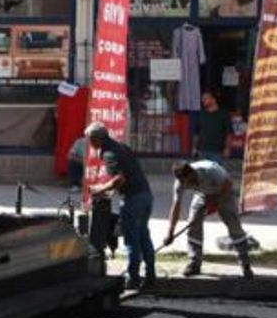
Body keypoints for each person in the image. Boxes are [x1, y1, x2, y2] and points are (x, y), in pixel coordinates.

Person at [85, 122, 156, 289]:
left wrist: (99, 189)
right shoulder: (121, 146)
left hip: (132, 199)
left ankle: (133, 278)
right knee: (144, 236)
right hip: (146, 195)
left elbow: (120, 179)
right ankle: (151, 274)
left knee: (132, 239)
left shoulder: (108, 153)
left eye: (90, 140)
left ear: (96, 139)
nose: (89, 143)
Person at [162, 160, 253, 279]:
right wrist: (170, 232)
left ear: (191, 174)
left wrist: (215, 203)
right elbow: (176, 206)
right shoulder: (180, 183)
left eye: (188, 183)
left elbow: (228, 185)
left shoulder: (211, 171)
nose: (186, 186)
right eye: (183, 184)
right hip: (202, 194)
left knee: (233, 224)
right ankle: (194, 262)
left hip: (224, 191)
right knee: (193, 223)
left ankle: (245, 263)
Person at [194, 91, 230, 163]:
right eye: (202, 99)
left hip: (217, 151)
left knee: (215, 172)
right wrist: (194, 147)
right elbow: (197, 132)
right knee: (203, 173)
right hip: (203, 150)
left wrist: (227, 148)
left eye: (206, 98)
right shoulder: (202, 114)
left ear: (213, 100)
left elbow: (228, 133)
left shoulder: (223, 114)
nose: (203, 101)